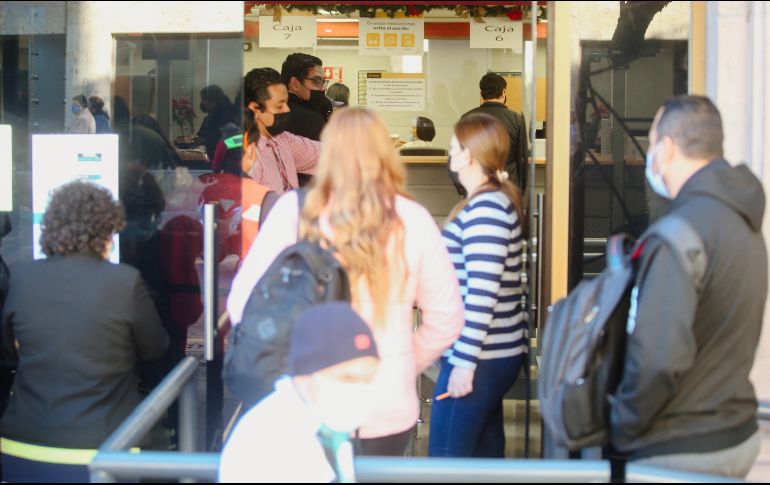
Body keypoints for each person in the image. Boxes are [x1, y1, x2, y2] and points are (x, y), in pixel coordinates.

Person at [227, 107, 464, 456]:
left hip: (306, 400)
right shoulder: (413, 219)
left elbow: (241, 304)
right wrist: (401, 361)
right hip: (386, 404)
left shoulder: (294, 211)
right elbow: (447, 320)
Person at [610, 95, 767, 478]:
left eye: (651, 142)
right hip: (734, 433)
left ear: (665, 147)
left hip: (679, 448)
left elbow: (657, 359)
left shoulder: (677, 236)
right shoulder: (741, 219)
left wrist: (622, 423)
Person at [0, 181, 169, 482]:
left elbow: (9, 350)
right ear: (107, 229)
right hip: (105, 449)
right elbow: (155, 348)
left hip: (23, 446)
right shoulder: (124, 282)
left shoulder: (22, 278)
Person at [428, 113, 527, 458]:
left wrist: (465, 363)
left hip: (480, 356)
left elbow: (482, 295)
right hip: (487, 353)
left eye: (454, 148)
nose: (450, 156)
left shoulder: (487, 209)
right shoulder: (490, 202)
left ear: (468, 155)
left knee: (446, 457)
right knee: (483, 460)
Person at [220, 302, 379, 483]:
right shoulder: (273, 443)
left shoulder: (326, 424)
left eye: (369, 378)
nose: (360, 389)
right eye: (348, 377)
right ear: (305, 375)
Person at [200, 123, 279, 261]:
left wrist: (216, 172)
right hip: (245, 176)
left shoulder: (224, 141)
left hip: (229, 175)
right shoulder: (245, 138)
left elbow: (217, 162)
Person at [242, 67, 321, 194]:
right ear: (255, 109)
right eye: (279, 106)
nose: (287, 110)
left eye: (286, 103)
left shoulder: (282, 140)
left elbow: (321, 153)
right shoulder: (248, 153)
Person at [462, 73, 528, 193]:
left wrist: (462, 188)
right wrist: (520, 189)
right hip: (507, 186)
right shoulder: (516, 119)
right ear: (503, 93)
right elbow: (522, 158)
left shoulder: (467, 118)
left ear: (482, 94)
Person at [197, 85, 240, 161]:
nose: (203, 103)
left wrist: (223, 145)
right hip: (217, 160)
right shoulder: (211, 117)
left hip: (228, 162)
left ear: (213, 100)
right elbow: (203, 136)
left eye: (204, 100)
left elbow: (240, 140)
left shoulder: (229, 114)